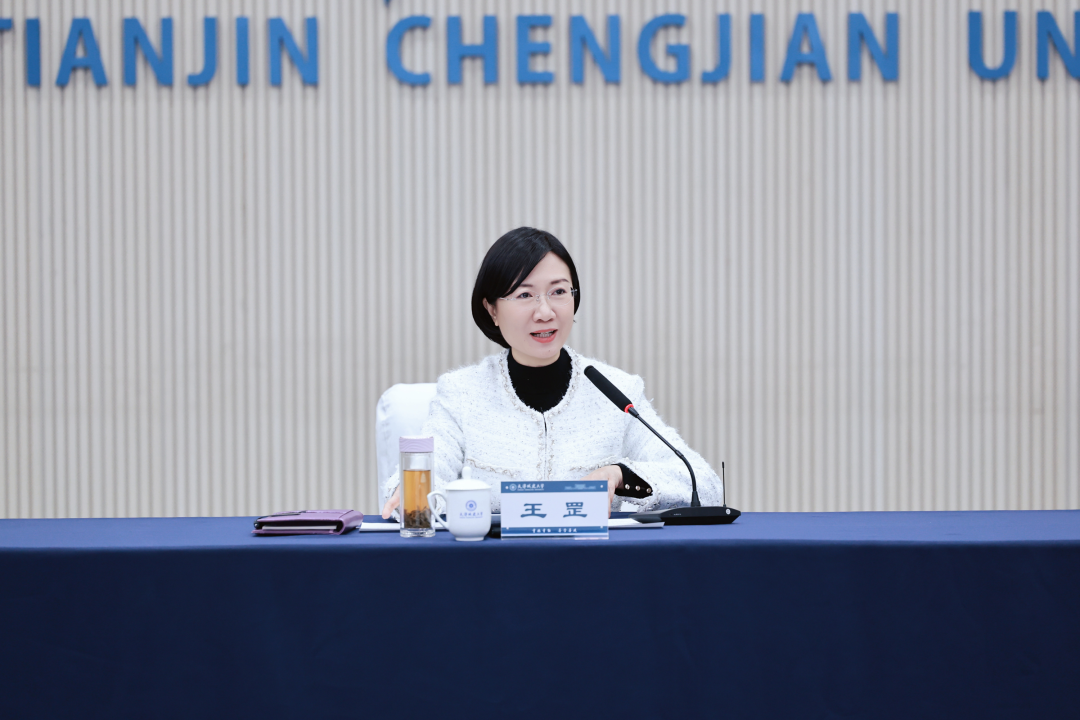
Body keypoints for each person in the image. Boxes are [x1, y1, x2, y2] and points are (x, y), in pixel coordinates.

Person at [381, 227, 723, 518]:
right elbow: (416, 485)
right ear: (492, 309)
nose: (545, 312)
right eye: (524, 295)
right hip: (492, 565)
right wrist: (410, 494)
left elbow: (703, 484)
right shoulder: (462, 394)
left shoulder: (617, 392)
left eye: (558, 292)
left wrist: (619, 475)